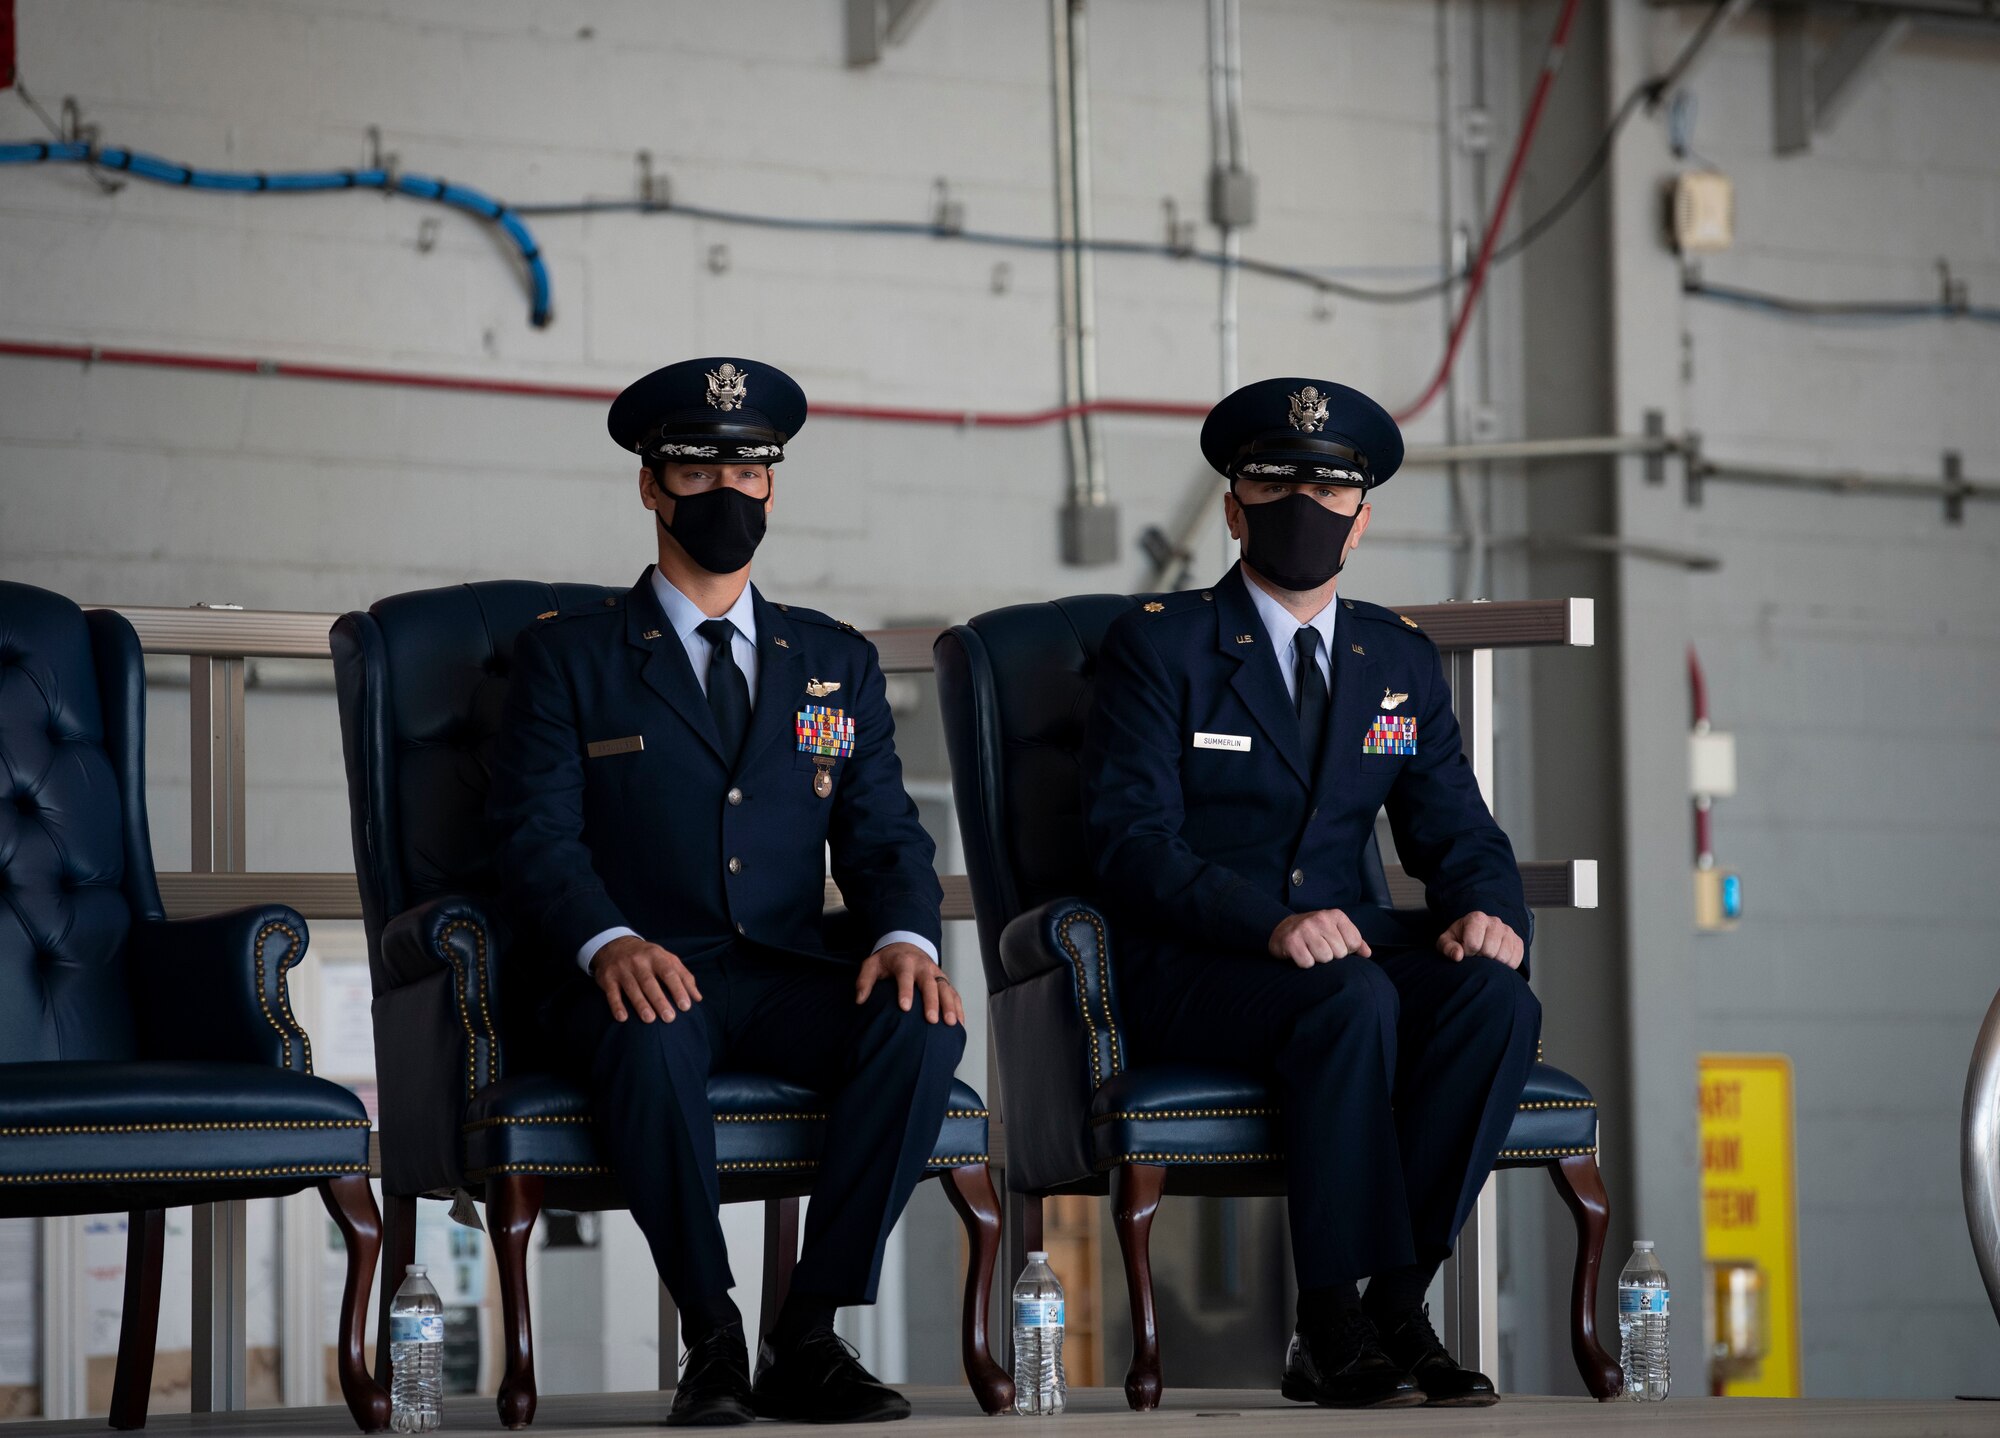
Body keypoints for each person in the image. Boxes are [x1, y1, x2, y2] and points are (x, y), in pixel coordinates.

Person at [487, 357, 963, 1426]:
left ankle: (808, 1331)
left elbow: (885, 834)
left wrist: (901, 938)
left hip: (783, 971)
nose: (726, 491)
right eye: (697, 470)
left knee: (919, 1024)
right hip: (638, 973)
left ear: (773, 487)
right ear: (650, 487)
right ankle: (711, 1336)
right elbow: (534, 839)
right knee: (650, 1028)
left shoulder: (830, 661)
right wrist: (605, 940)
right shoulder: (569, 660)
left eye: (749, 468)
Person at [1080, 378, 1539, 1409]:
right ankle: (1329, 1317)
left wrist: (1486, 912)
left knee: (1493, 999)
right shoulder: (1157, 645)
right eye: (1271, 483)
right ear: (1233, 509)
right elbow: (1129, 844)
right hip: (1197, 963)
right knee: (1353, 997)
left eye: (1329, 489)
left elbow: (1455, 827)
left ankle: (1394, 1301)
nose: (1302, 505)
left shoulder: (1396, 659)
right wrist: (1270, 922)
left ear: (1360, 521)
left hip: (1342, 958)